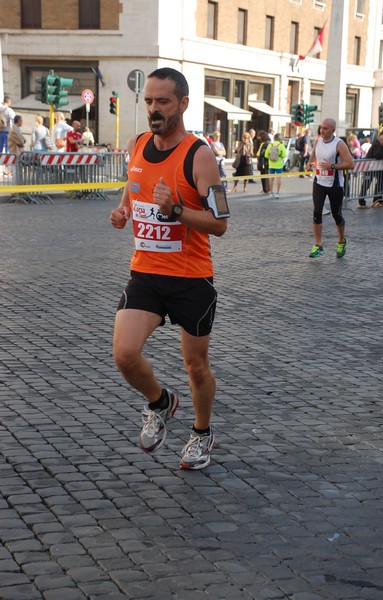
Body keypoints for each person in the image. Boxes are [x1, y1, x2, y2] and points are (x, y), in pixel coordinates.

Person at [109, 67, 228, 470]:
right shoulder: (138, 143)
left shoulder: (200, 155)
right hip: (146, 271)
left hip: (191, 277)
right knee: (125, 354)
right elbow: (135, 181)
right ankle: (160, 402)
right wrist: (125, 208)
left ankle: (201, 432)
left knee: (195, 366)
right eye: (148, 101)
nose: (153, 109)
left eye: (162, 101)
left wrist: (175, 209)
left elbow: (220, 224)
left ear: (183, 104)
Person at [306, 118, 354, 258]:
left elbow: (351, 164)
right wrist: (309, 163)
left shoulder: (339, 144)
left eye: (326, 128)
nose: (322, 130)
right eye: (322, 127)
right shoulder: (318, 140)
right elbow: (314, 153)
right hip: (319, 182)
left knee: (336, 215)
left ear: (333, 130)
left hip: (335, 184)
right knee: (317, 212)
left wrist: (332, 166)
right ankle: (318, 245)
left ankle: (341, 240)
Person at [358, 131, 383, 208]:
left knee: (379, 184)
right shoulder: (377, 145)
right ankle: (362, 201)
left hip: (378, 168)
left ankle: (377, 200)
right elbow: (377, 155)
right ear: (382, 140)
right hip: (371, 168)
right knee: (367, 184)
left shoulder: (382, 145)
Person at [265, 132, 286, 198]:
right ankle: (277, 193)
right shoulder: (281, 145)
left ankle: (271, 192)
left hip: (271, 164)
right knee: (278, 179)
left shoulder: (270, 145)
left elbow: (266, 155)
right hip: (279, 164)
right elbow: (284, 155)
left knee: (271, 178)